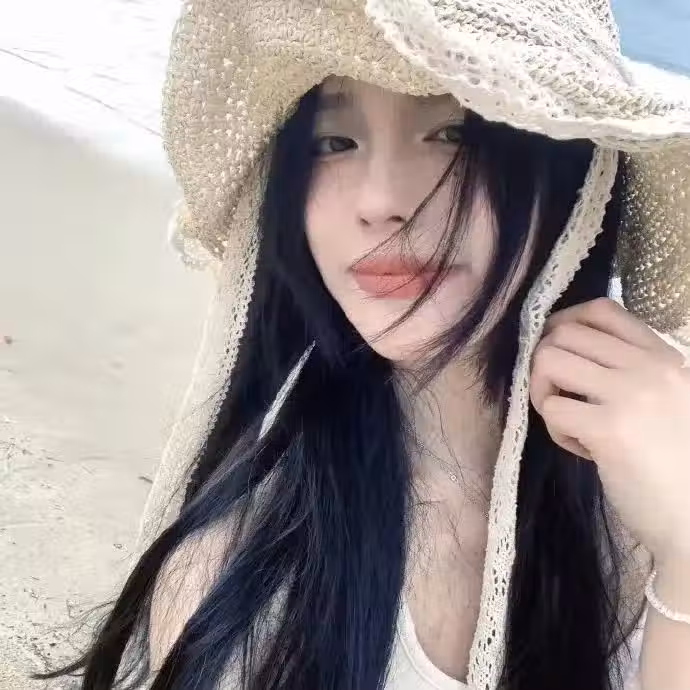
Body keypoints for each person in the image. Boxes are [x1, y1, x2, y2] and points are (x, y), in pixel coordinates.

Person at [39, 1, 690, 688]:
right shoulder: (241, 586)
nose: (380, 200)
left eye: (453, 132)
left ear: (571, 169)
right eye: (333, 142)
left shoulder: (659, 461)